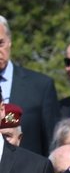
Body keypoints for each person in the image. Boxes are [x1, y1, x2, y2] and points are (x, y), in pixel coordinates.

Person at [0, 16, 60, 155]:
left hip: (28, 172)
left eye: (0, 43)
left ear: (10, 42)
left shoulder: (40, 86)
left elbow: (52, 141)